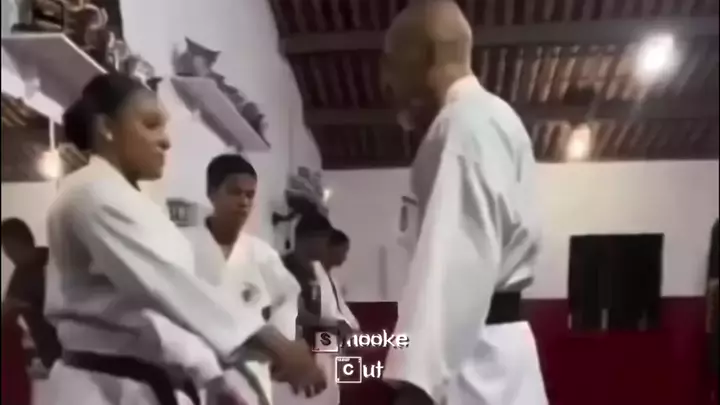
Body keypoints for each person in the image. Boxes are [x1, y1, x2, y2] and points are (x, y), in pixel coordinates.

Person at [42, 73, 325, 405]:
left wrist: (211, 376)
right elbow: (171, 289)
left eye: (164, 128)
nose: (166, 141)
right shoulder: (91, 192)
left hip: (151, 378)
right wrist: (278, 346)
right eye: (151, 125)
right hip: (101, 386)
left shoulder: (135, 203)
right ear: (106, 128)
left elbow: (159, 313)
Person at [379, 2, 547, 405]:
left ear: (424, 56)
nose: (387, 83)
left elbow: (455, 265)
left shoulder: (463, 123)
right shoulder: (488, 116)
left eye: (392, 63)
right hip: (488, 352)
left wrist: (415, 390)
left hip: (473, 362)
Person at [182, 154, 312, 405]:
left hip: (250, 374)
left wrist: (281, 347)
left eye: (250, 195)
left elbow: (289, 297)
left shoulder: (262, 255)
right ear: (211, 193)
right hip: (194, 372)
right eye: (235, 192)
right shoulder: (182, 243)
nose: (243, 201)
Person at [274, 214, 350, 405]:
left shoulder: (313, 272)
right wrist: (330, 325)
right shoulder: (284, 268)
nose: (325, 248)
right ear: (309, 239)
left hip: (310, 356)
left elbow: (315, 317)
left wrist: (338, 339)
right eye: (323, 241)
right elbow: (292, 313)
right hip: (287, 358)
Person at [1, 218, 61, 370]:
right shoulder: (20, 277)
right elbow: (7, 314)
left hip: (71, 349)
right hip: (54, 356)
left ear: (21, 242)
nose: (7, 254)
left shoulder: (56, 260)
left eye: (8, 247)